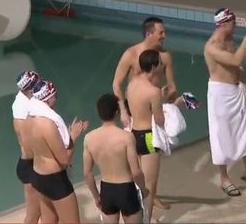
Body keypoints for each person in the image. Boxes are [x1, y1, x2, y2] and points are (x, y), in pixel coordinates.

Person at [204, 8, 246, 197]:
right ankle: (224, 179)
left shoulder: (229, 40)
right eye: (233, 22)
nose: (236, 25)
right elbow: (236, 59)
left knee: (244, 131)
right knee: (222, 135)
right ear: (224, 24)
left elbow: (237, 67)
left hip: (237, 90)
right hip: (220, 94)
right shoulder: (212, 46)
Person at [26, 80, 88, 222]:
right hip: (54, 179)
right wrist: (72, 137)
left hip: (38, 176)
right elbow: (65, 160)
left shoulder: (30, 118)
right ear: (47, 98)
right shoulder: (48, 123)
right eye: (55, 95)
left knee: (50, 219)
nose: (57, 98)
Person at [83, 93, 149, 224]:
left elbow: (87, 173)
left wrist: (96, 196)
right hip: (126, 190)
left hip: (106, 190)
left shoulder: (89, 138)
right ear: (117, 112)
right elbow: (136, 172)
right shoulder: (126, 137)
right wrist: (143, 190)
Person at [112, 16, 177, 129]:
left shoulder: (165, 56)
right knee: (133, 144)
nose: (164, 36)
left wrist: (169, 106)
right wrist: (122, 111)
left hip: (155, 105)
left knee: (155, 144)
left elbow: (172, 87)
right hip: (134, 108)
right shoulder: (131, 54)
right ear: (148, 34)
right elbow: (116, 84)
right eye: (160, 33)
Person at [126, 49, 164, 221]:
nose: (162, 66)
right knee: (150, 185)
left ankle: (139, 217)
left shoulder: (132, 83)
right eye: (160, 63)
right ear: (154, 66)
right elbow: (160, 120)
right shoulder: (154, 91)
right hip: (148, 137)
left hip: (134, 135)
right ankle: (146, 220)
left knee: (137, 183)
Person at [12, 71, 43, 223]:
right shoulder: (24, 108)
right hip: (31, 164)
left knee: (43, 212)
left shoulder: (22, 103)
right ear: (29, 88)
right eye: (38, 84)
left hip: (28, 163)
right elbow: (27, 144)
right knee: (34, 214)